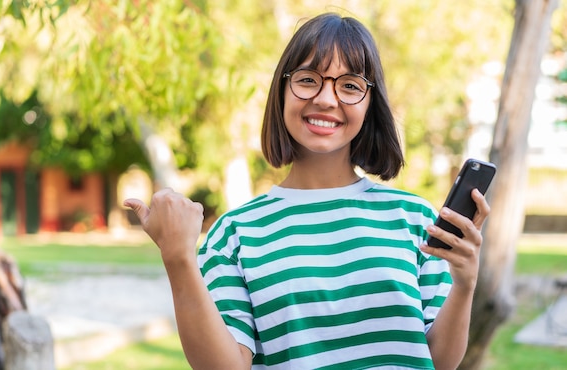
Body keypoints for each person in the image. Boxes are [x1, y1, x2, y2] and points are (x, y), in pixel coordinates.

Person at [125, 12, 490, 370]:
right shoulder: (235, 234)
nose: (327, 99)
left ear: (369, 104)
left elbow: (439, 361)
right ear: (283, 89)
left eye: (349, 85)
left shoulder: (416, 220)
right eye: (308, 79)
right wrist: (178, 258)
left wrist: (464, 283)